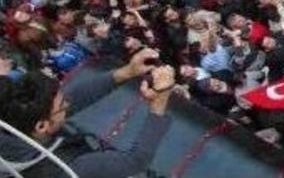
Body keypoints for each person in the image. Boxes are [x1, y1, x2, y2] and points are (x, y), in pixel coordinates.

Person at [0, 48, 174, 178]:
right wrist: (159, 103)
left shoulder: (16, 122)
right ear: (42, 126)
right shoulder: (71, 168)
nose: (68, 103)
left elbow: (74, 98)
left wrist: (127, 71)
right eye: (62, 105)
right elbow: (136, 160)